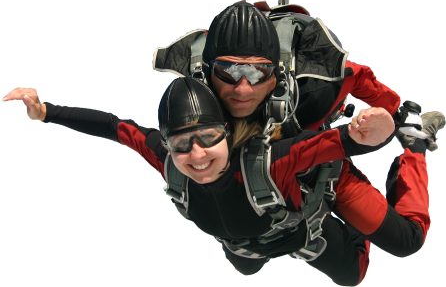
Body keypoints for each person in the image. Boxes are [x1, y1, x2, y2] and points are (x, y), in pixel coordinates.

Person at [3, 79, 438, 286]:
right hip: (244, 241)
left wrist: (371, 130)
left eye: (208, 138)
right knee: (245, 264)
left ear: (226, 133)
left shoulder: (273, 161)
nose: (196, 156)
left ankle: (415, 148)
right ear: (166, 145)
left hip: (308, 214)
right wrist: (46, 112)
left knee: (382, 257)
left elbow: (336, 143)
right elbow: (114, 127)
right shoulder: (167, 159)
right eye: (181, 144)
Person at [153, 0, 440, 276]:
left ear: (276, 72)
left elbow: (355, 75)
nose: (242, 88)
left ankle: (415, 147)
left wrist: (396, 112)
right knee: (246, 266)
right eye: (227, 71)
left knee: (406, 240)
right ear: (206, 70)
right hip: (252, 192)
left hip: (319, 169)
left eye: (258, 71)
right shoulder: (193, 98)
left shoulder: (313, 92)